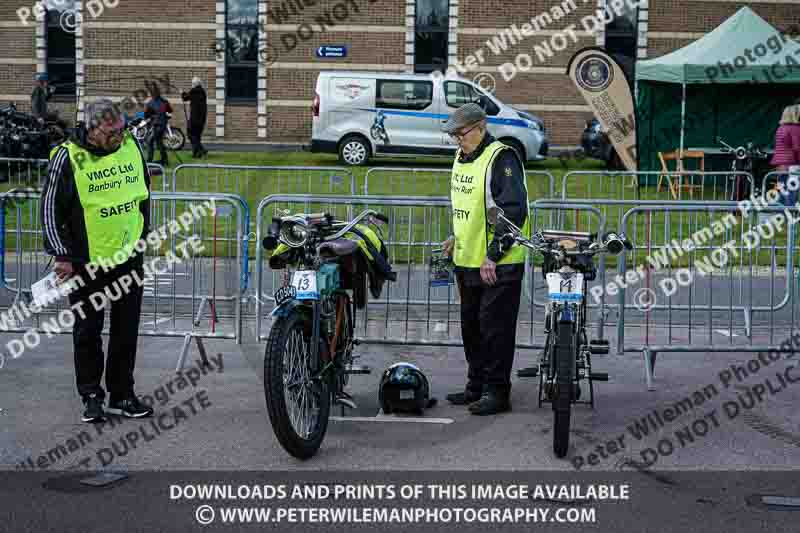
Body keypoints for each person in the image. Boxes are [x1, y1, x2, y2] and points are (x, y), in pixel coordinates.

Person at [41, 98, 153, 423]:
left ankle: (122, 394)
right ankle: (91, 395)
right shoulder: (67, 156)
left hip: (128, 256)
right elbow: (50, 208)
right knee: (88, 331)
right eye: (111, 131)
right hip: (85, 260)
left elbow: (143, 192)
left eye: (121, 129)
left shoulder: (131, 146)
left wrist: (144, 233)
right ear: (91, 129)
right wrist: (61, 254)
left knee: (126, 330)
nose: (118, 136)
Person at [440, 103, 530, 416]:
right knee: (472, 328)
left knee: (495, 331)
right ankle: (475, 386)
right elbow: (469, 207)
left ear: (480, 126)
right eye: (453, 135)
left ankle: (497, 392)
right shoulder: (461, 157)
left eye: (460, 133)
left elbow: (513, 211)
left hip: (498, 263)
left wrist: (493, 255)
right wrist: (455, 236)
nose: (457, 140)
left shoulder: (501, 157)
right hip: (467, 261)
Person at [770, 104, 800, 206]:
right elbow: (797, 148)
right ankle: (790, 218)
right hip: (792, 165)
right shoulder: (795, 128)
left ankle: (779, 217)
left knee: (782, 192)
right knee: (792, 193)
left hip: (780, 166)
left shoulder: (780, 128)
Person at [144, 82, 172, 167]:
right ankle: (164, 160)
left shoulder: (150, 103)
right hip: (162, 125)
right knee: (159, 143)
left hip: (156, 126)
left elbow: (146, 115)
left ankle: (149, 160)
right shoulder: (164, 101)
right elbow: (170, 111)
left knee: (150, 141)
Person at [181, 77, 208, 158]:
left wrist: (182, 93)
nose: (191, 85)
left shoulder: (194, 91)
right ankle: (196, 153)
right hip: (202, 119)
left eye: (192, 83)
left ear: (194, 84)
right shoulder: (203, 92)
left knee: (190, 134)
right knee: (197, 136)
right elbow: (190, 96)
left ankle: (202, 149)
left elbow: (186, 98)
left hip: (194, 118)